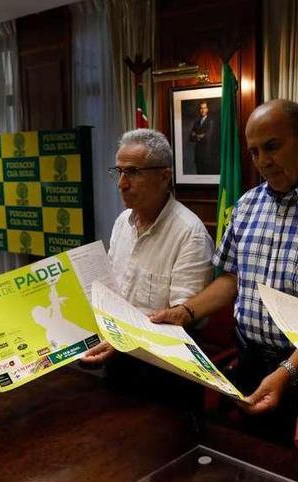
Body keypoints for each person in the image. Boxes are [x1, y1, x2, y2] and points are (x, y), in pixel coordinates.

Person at [152, 99, 298, 434]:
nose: (263, 162)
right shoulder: (246, 205)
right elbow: (230, 280)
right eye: (254, 152)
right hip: (250, 362)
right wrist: (186, 311)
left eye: (272, 147)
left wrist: (288, 371)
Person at [81, 129, 214, 365]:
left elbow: (179, 322)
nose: (122, 184)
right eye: (119, 172)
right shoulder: (123, 222)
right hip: (115, 350)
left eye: (132, 172)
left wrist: (123, 341)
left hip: (161, 365)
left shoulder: (190, 234)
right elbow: (112, 288)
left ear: (164, 176)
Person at [189, 101, 218, 174]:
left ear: (207, 109)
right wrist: (200, 136)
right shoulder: (196, 122)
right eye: (201, 108)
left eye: (204, 108)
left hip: (207, 155)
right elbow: (191, 137)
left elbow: (207, 137)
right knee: (199, 174)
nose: (203, 110)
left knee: (207, 174)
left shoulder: (211, 121)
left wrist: (196, 135)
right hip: (198, 155)